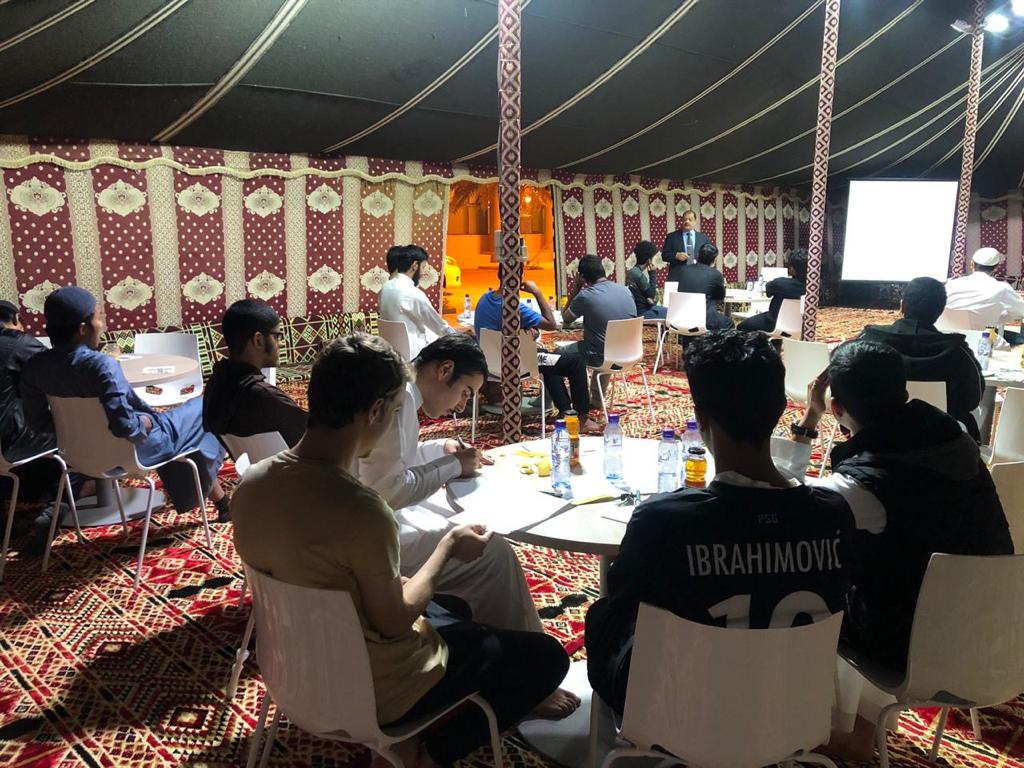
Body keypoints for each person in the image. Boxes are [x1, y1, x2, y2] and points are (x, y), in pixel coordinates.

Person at [232, 335, 569, 767]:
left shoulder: (251, 484)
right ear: (376, 412)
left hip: (291, 668)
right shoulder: (361, 510)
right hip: (376, 686)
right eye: (394, 413)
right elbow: (394, 620)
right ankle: (428, 753)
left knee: (454, 608)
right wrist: (448, 547)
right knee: (546, 659)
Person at [585, 330, 854, 716]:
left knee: (603, 614)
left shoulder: (663, 522)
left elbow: (626, 611)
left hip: (680, 714)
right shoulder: (833, 515)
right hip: (794, 710)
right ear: (780, 408)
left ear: (700, 418)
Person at [778, 340, 1012, 759]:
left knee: (803, 583)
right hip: (1000, 636)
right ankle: (862, 727)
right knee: (894, 570)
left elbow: (790, 512)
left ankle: (815, 725)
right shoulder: (955, 438)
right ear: (904, 392)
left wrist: (809, 420)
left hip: (915, 650)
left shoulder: (863, 485)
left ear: (836, 407)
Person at [358, 333, 580, 718]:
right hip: (373, 535)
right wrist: (451, 466)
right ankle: (530, 679)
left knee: (461, 523)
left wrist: (440, 450)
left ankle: (484, 643)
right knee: (491, 552)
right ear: (444, 370)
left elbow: (393, 461)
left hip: (364, 520)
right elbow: (388, 488)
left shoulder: (402, 396)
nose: (462, 405)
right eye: (465, 392)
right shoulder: (397, 401)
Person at [21, 287, 229, 521]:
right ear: (82, 329)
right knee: (207, 408)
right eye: (98, 317)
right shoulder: (101, 366)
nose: (102, 325)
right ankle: (214, 501)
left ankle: (220, 502)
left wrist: (78, 433)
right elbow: (126, 427)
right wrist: (148, 421)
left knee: (189, 434)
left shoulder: (35, 366)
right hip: (135, 451)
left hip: (76, 455)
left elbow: (37, 423)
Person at [860, 277, 983, 440]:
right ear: (940, 311)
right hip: (942, 440)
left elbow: (846, 384)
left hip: (876, 437)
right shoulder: (958, 351)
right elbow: (972, 399)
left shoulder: (868, 342)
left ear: (902, 305)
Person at [474, 280, 599, 431]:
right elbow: (551, 324)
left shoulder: (484, 299)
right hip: (519, 363)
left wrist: (526, 331)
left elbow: (502, 327)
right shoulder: (515, 307)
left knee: (549, 358)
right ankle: (582, 419)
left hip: (490, 363)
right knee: (576, 362)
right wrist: (537, 292)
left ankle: (565, 410)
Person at [202, 299, 306, 447]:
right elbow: (316, 439)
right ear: (258, 340)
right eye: (276, 336)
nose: (281, 343)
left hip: (250, 461)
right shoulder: (266, 397)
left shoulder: (215, 384)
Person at [0, 300, 60, 501]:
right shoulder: (17, 342)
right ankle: (70, 492)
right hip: (10, 444)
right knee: (76, 431)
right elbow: (60, 370)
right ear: (17, 318)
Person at [379, 244, 468, 359]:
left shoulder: (385, 288)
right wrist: (462, 338)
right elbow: (439, 327)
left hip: (392, 352)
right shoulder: (412, 293)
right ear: (415, 266)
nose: (423, 273)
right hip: (415, 355)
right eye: (423, 267)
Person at [561, 255, 636, 369]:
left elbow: (566, 319)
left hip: (600, 356)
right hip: (630, 353)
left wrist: (576, 287)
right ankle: (597, 382)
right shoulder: (626, 291)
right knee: (602, 343)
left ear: (582, 276)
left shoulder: (586, 296)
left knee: (557, 355)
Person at [945, 247, 1024, 344]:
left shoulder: (950, 285)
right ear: (996, 267)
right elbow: (1020, 312)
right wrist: (995, 317)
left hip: (947, 340)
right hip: (983, 343)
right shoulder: (1002, 289)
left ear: (972, 264)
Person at [738, 248, 808, 333]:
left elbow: (768, 291)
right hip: (801, 326)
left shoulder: (780, 283)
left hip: (772, 323)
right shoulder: (813, 288)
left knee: (741, 327)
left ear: (792, 268)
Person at [676, 242, 733, 331]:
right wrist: (723, 286)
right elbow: (720, 297)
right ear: (714, 260)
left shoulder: (684, 270)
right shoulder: (716, 274)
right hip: (704, 319)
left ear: (698, 255)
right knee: (729, 322)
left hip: (681, 317)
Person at [662, 210, 710, 285]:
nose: (687, 221)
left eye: (690, 219)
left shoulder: (703, 238)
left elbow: (708, 257)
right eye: (685, 219)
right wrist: (676, 256)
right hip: (677, 277)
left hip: (699, 277)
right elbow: (664, 255)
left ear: (695, 222)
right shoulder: (672, 237)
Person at [625, 241, 666, 320]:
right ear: (649, 260)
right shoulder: (638, 274)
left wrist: (648, 299)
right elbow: (651, 294)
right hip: (642, 312)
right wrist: (652, 274)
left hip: (637, 310)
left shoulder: (632, 272)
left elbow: (648, 296)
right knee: (670, 313)